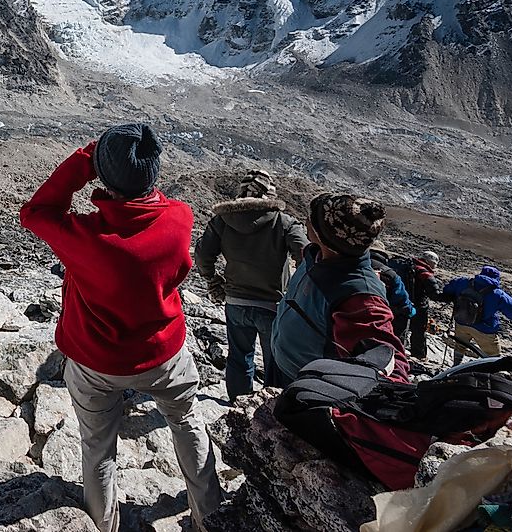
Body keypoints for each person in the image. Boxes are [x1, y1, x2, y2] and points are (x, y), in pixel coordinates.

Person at [21, 124, 223, 532]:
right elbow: (157, 206)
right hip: (164, 354)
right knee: (187, 424)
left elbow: (35, 212)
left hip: (96, 363)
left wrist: (86, 160)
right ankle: (211, 519)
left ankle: (103, 524)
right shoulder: (180, 219)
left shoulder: (87, 237)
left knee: (98, 450)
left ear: (104, 176)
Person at [270, 193, 410, 385]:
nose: (306, 221)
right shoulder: (316, 256)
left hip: (305, 387)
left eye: (312, 219)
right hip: (282, 365)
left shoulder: (360, 295)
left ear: (325, 235)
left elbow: (388, 364)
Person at [194, 170, 307, 399]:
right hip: (273, 305)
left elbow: (203, 254)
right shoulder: (282, 221)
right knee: (275, 360)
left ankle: (239, 403)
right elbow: (306, 255)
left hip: (235, 302)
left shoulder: (222, 221)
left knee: (239, 356)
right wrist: (298, 290)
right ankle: (271, 411)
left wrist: (214, 281)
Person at [442, 266, 512, 363]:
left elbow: (446, 290)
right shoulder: (497, 294)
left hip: (461, 320)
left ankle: (456, 364)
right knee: (493, 355)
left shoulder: (462, 282)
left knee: (460, 345)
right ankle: (491, 372)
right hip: (484, 328)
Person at [387, 250, 442, 360]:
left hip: (400, 302)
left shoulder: (409, 266)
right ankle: (419, 354)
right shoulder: (424, 272)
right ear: (430, 262)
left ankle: (395, 352)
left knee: (399, 329)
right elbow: (435, 294)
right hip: (419, 306)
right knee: (418, 331)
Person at [368, 242, 417, 339]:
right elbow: (401, 300)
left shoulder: (352, 267)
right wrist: (411, 310)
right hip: (380, 321)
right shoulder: (390, 274)